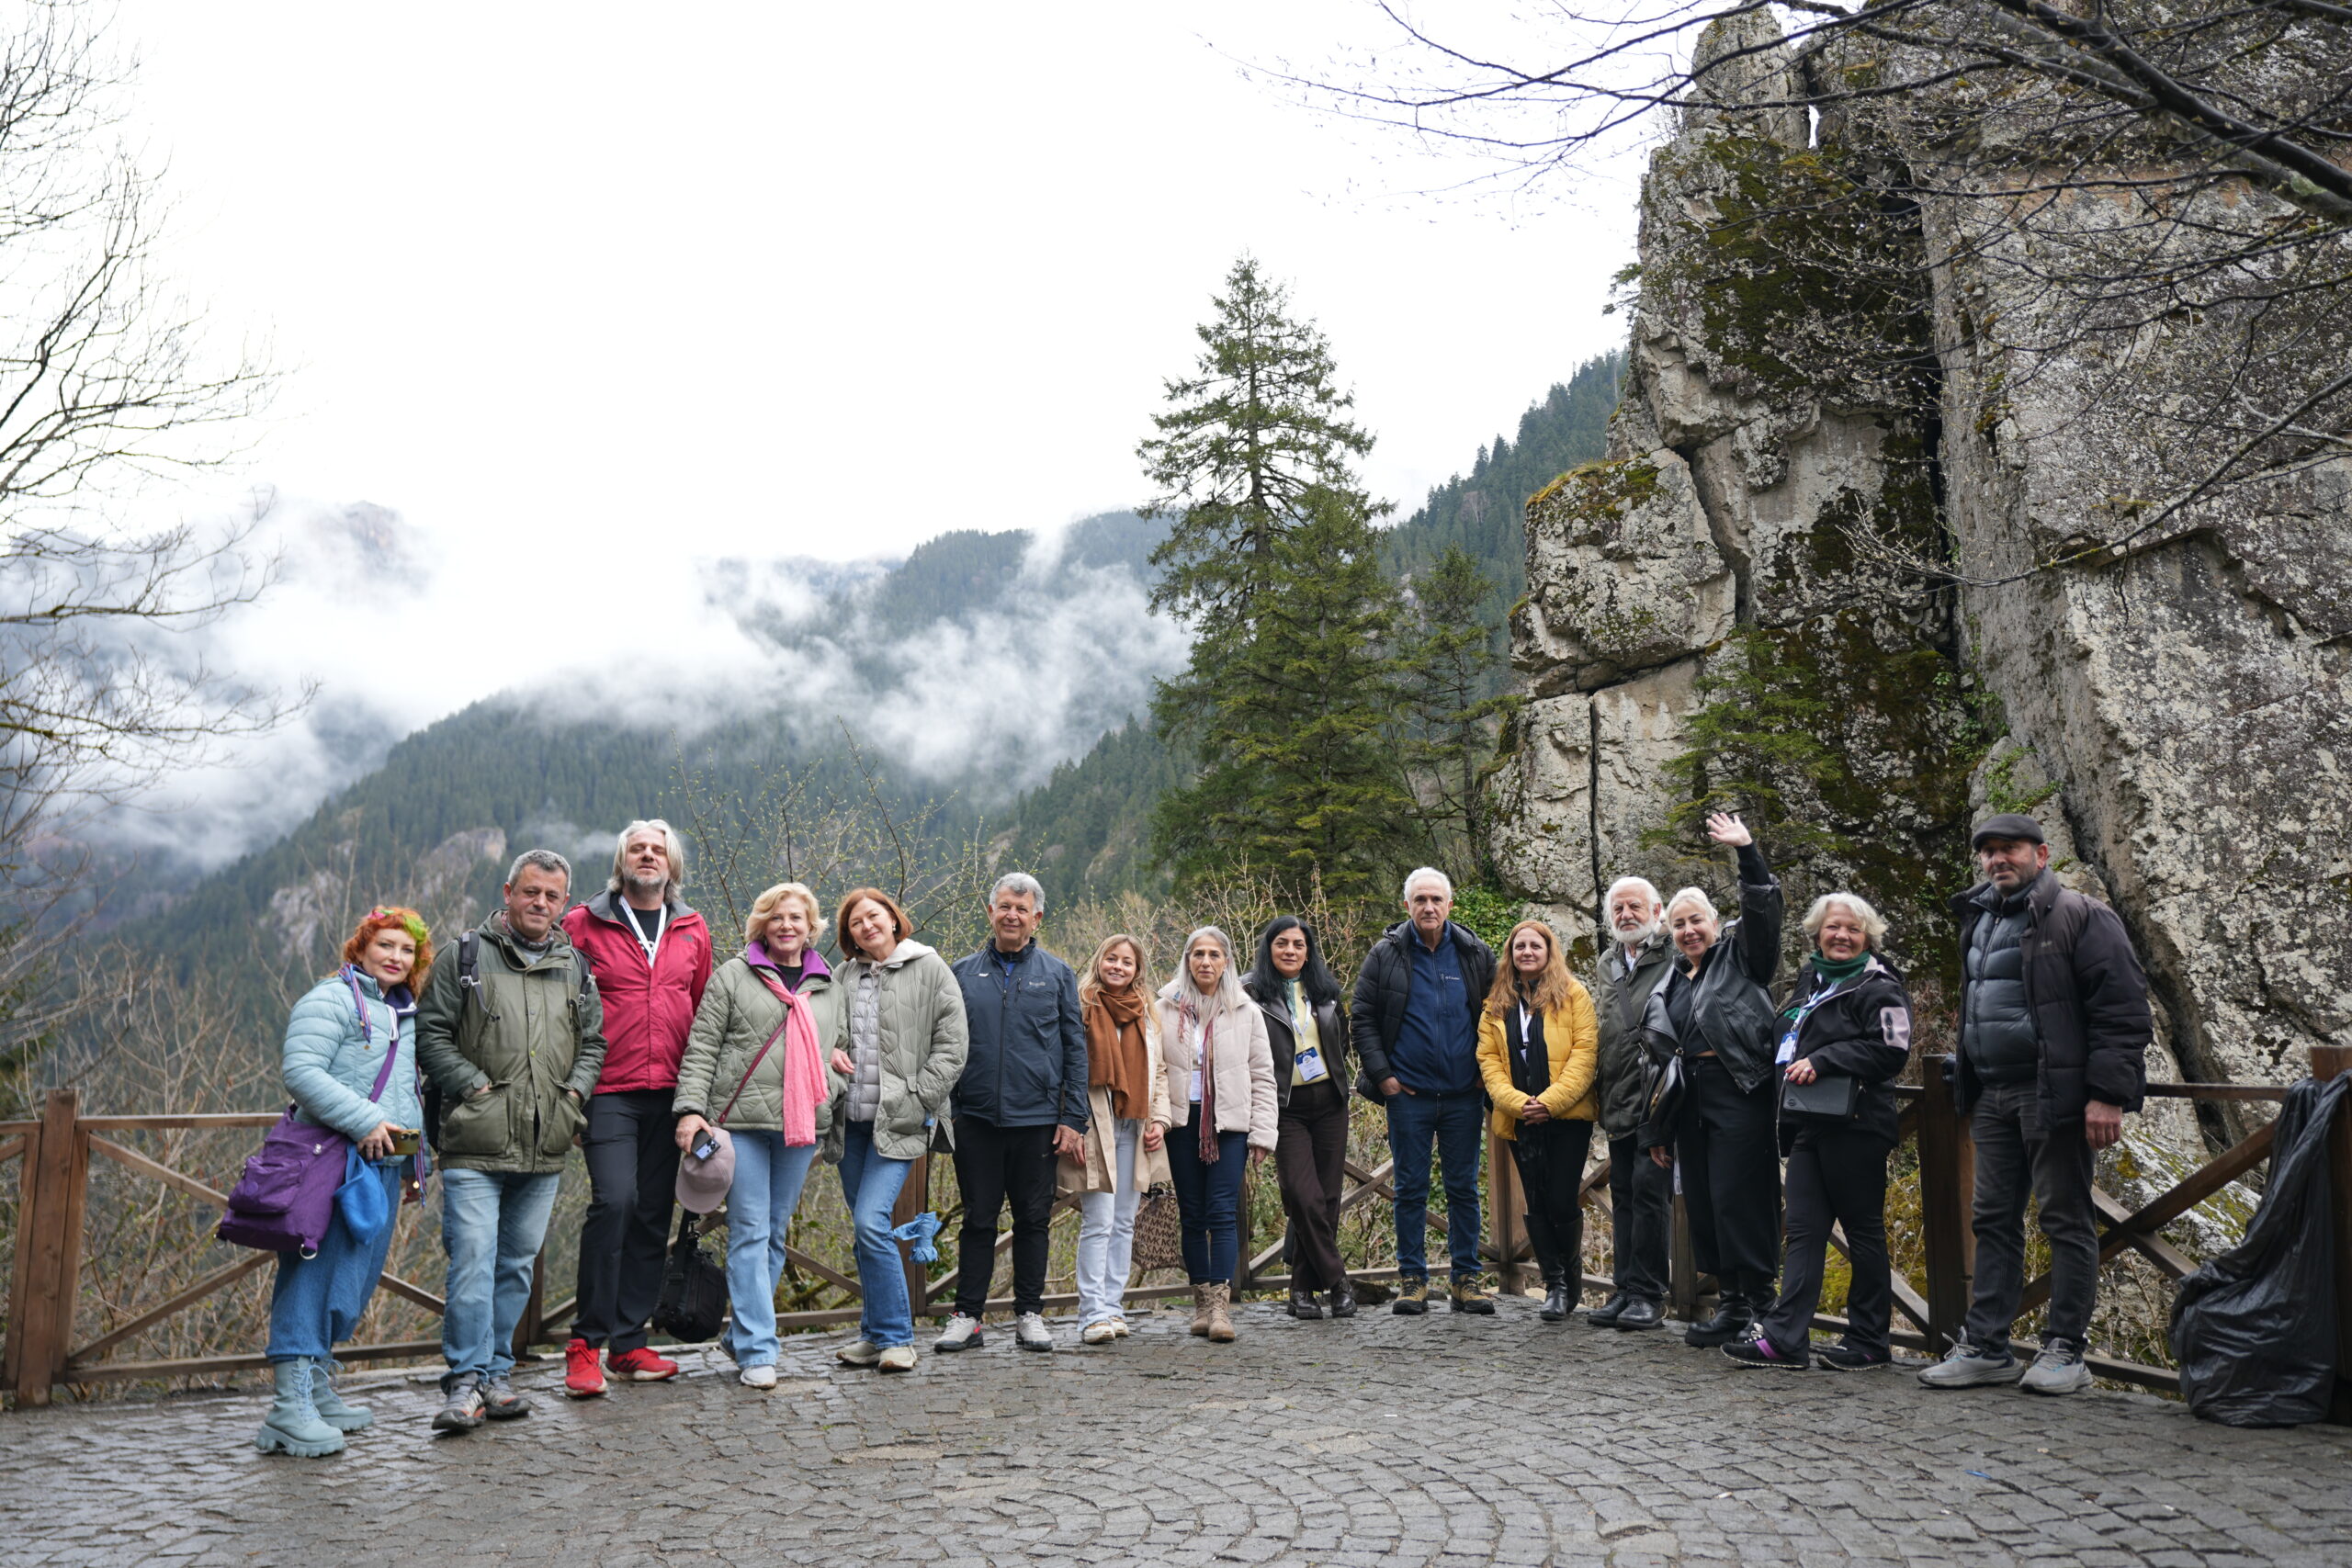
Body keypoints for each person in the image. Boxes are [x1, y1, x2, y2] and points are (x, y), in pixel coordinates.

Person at [1920, 812, 2151, 1396]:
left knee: (2064, 1218)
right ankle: (1987, 1347)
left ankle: (2065, 1350)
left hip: (2055, 1095)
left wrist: (2108, 1095)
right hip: (1992, 1095)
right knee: (1992, 1219)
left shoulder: (2078, 914)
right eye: (1989, 851)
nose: (1998, 859)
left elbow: (2122, 1009)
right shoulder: (1979, 919)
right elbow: (1982, 1007)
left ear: (2041, 855)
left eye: (2011, 849)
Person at [416, 849, 607, 1433]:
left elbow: (593, 1043)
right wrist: (472, 1085)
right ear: (508, 891)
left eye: (552, 896)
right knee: (472, 1260)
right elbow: (431, 1033)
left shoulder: (574, 965)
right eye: (530, 892)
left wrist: (572, 1098)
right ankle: (465, 1382)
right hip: (475, 1140)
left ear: (564, 902)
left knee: (516, 1266)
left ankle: (498, 1375)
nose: (540, 904)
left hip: (544, 1143)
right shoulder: (463, 956)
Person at [254, 907, 433, 1458]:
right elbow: (301, 1073)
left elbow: (406, 1097)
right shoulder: (330, 999)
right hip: (329, 1161)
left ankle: (318, 1388)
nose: (395, 957)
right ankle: (289, 1408)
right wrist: (364, 1123)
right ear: (360, 948)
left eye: (407, 951)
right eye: (386, 945)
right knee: (311, 1277)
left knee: (349, 1281)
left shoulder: (403, 1011)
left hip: (379, 1166)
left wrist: (411, 1164)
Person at [1724, 893, 1914, 1371]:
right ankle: (1786, 1339)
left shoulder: (1880, 985)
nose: (1842, 936)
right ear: (1817, 934)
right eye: (1833, 928)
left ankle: (1870, 1338)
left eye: (1852, 929)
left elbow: (1893, 1051)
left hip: (1857, 1125)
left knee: (1863, 1231)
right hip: (1809, 1122)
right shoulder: (1812, 980)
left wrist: (1826, 1059)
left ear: (1867, 936)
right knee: (1804, 1232)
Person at [558, 818, 713, 1397]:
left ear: (672, 865)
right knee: (614, 1203)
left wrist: (702, 1101)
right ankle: (585, 1344)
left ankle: (628, 1343)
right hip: (608, 1090)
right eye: (637, 849)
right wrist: (571, 1093)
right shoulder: (584, 923)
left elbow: (702, 1014)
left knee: (652, 1212)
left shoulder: (692, 928)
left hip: (673, 1095)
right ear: (622, 861)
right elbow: (559, 1010)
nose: (647, 857)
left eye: (658, 850)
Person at [673, 882, 845, 1390]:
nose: (787, 926)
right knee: (749, 1230)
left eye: (796, 918)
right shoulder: (732, 976)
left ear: (810, 927)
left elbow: (845, 1046)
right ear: (762, 926)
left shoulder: (829, 984)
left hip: (800, 1125)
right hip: (741, 1124)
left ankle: (745, 1332)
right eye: (777, 918)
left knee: (772, 1231)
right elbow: (702, 1048)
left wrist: (831, 1082)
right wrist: (689, 1112)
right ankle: (757, 1349)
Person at [1637, 812, 1783, 1348]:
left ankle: (1765, 1310)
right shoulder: (1671, 978)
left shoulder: (1742, 960)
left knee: (1739, 1198)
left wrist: (1746, 851)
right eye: (1677, 925)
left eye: (1696, 920)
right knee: (1702, 1202)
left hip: (1737, 1091)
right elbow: (1659, 1059)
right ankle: (1733, 1305)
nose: (1688, 931)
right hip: (1688, 1100)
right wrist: (1658, 1130)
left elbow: (1764, 913)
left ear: (1716, 924)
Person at [939, 873, 1087, 1355]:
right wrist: (954, 1110)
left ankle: (1029, 1314)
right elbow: (945, 1043)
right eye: (1004, 907)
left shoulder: (1057, 973)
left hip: (1039, 1120)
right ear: (990, 912)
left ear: (1036, 917)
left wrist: (1073, 1118)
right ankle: (967, 1316)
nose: (1011, 915)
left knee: (1033, 1220)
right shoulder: (961, 972)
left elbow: (1074, 1050)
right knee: (978, 1219)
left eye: (1021, 909)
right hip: (976, 1119)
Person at [1351, 868, 1498, 1315]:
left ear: (1450, 905)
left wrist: (1484, 1074)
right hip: (1408, 1095)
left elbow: (1498, 1014)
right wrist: (1384, 1078)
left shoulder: (1474, 953)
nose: (1429, 907)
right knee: (1410, 1189)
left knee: (1463, 1189)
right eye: (1420, 900)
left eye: (1436, 899)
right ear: (1407, 906)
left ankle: (1466, 1279)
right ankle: (1412, 1280)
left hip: (1463, 1095)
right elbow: (1362, 1018)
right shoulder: (1385, 955)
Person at [832, 886, 968, 1372]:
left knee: (872, 1222)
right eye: (855, 923)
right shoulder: (844, 975)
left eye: (874, 916)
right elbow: (826, 1032)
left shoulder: (929, 968)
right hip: (850, 1124)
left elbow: (952, 1045)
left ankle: (896, 1338)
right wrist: (831, 1053)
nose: (866, 926)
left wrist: (919, 1097)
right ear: (849, 936)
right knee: (865, 1230)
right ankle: (873, 1333)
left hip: (901, 1121)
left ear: (893, 919)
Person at [1157, 926, 1278, 1342]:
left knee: (1222, 1211)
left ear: (1227, 961)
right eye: (1198, 954)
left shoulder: (1245, 1010)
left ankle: (1222, 1309)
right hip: (1181, 1123)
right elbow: (1154, 1071)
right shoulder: (1165, 1008)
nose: (1205, 962)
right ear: (1187, 960)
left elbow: (1263, 1075)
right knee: (1192, 1213)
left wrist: (1263, 1133)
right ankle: (1202, 1303)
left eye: (1214, 954)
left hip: (1228, 1125)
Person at [1476, 919, 1600, 1322]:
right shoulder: (1496, 1004)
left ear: (1549, 952)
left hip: (1566, 1117)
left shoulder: (1573, 995)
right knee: (1536, 1199)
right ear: (1510, 956)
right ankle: (1556, 1284)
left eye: (1535, 946)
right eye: (1519, 947)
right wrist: (1516, 1103)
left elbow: (1585, 1056)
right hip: (1519, 1120)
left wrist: (1549, 1102)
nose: (1527, 952)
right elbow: (1488, 1060)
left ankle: (1571, 1277)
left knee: (1562, 1198)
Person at [1243, 917, 1354, 1320]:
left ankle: (1301, 1292)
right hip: (1283, 1106)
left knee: (1325, 1200)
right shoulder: (1249, 993)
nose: (1290, 951)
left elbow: (1341, 1041)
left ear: (1309, 951)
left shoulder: (1325, 992)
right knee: (1302, 1195)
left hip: (1330, 1103)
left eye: (1299, 944)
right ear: (1268, 949)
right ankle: (1339, 1281)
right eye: (1282, 944)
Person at [1063, 934, 1171, 1345]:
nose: (1118, 967)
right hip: (1095, 1126)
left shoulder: (1147, 1013)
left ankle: (1113, 1307)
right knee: (1099, 1221)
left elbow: (1159, 1072)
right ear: (1099, 961)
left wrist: (1160, 1119)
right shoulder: (1081, 1006)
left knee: (1125, 1221)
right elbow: (1066, 1069)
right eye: (1112, 959)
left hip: (1136, 1126)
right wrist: (1070, 1123)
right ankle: (1091, 1313)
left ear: (1137, 969)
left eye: (1127, 962)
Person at [1589, 876, 1675, 1331]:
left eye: (1635, 907)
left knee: (1649, 1195)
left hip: (1661, 1097)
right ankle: (1624, 1289)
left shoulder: (1674, 954)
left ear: (1657, 909)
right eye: (1618, 908)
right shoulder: (1608, 963)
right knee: (1622, 1194)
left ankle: (1648, 1294)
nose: (1626, 915)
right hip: (1618, 1094)